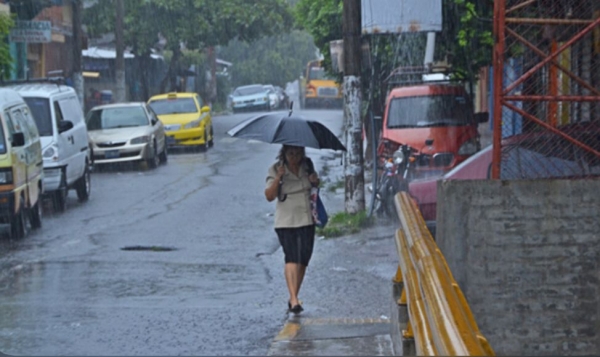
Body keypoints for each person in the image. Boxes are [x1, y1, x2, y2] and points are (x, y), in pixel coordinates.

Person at [265, 145, 320, 314]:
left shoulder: (308, 165)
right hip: (286, 221)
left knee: (303, 259)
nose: (294, 157)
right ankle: (294, 299)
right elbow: (269, 196)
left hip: (306, 218)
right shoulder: (276, 168)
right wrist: (278, 178)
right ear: (284, 153)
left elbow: (315, 186)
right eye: (290, 153)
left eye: (297, 153)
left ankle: (293, 296)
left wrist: (315, 180)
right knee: (291, 257)